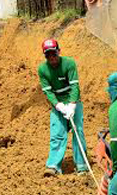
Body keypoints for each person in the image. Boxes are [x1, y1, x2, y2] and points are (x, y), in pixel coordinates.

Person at [37, 39, 88, 176]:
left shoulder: (69, 63)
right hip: (58, 103)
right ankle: (53, 166)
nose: (52, 58)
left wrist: (71, 105)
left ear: (59, 51)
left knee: (78, 132)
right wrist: (59, 106)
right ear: (45, 56)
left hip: (73, 101)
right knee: (57, 134)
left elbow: (75, 86)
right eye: (48, 55)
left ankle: (82, 165)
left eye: (54, 54)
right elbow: (48, 91)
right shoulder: (42, 69)